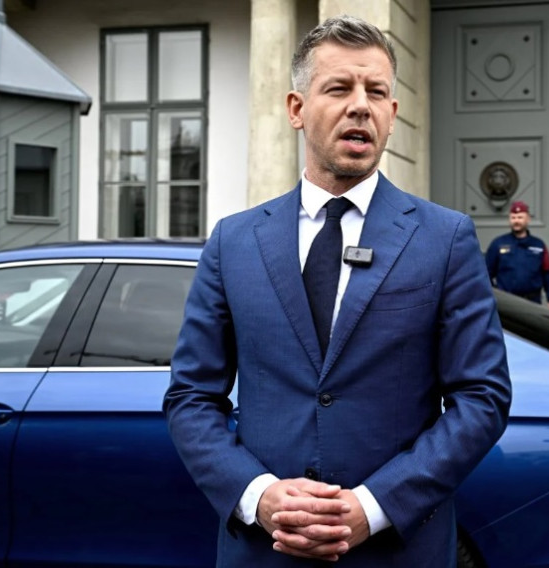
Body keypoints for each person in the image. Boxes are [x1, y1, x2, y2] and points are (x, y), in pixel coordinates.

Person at [164, 15, 511, 568]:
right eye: (339, 88)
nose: (360, 106)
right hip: (264, 552)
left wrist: (374, 507)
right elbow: (191, 396)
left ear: (392, 114)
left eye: (375, 92)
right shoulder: (233, 241)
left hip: (396, 553)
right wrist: (258, 496)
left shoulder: (444, 238)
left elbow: (482, 397)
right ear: (296, 108)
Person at [485, 201, 549, 310]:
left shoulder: (539, 245)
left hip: (532, 303)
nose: (516, 221)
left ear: (528, 219)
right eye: (513, 217)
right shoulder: (498, 244)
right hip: (506, 304)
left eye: (520, 217)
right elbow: (486, 273)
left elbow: (547, 276)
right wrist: (493, 295)